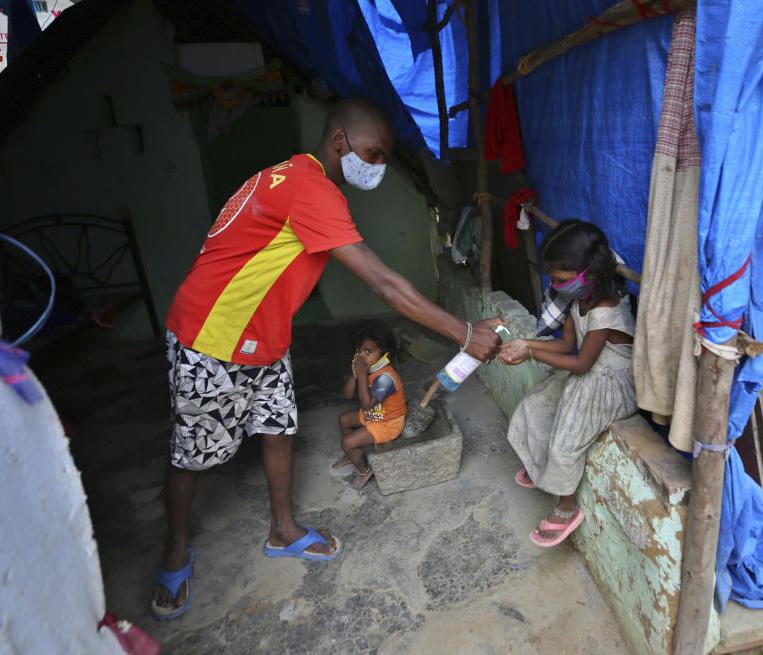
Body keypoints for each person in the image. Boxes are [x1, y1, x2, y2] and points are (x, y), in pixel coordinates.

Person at [150, 97, 502, 620]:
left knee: (278, 430)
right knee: (192, 452)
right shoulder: (309, 189)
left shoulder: (294, 177)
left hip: (265, 336)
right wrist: (464, 331)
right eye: (373, 154)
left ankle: (283, 530)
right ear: (340, 141)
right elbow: (382, 282)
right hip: (211, 337)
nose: (378, 167)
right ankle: (174, 550)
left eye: (384, 158)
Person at [498, 220, 636, 548]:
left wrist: (530, 350)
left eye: (560, 279)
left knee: (566, 439)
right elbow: (564, 346)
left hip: (613, 384)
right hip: (590, 373)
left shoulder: (605, 310)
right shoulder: (578, 300)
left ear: (588, 274)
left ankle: (567, 506)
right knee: (537, 403)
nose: (554, 285)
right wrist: (524, 344)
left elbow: (581, 362)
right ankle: (544, 469)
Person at [331, 320, 406, 490]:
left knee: (348, 442)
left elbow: (367, 405)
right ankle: (353, 456)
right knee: (344, 420)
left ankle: (365, 471)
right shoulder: (368, 369)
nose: (363, 356)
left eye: (368, 351)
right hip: (376, 415)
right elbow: (348, 394)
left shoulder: (385, 377)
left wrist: (363, 375)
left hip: (389, 423)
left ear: (384, 352)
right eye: (359, 351)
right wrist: (355, 376)